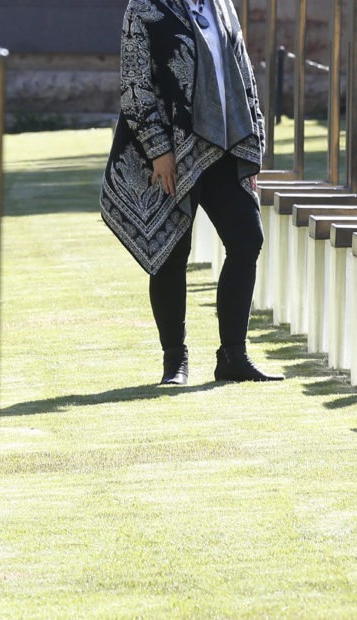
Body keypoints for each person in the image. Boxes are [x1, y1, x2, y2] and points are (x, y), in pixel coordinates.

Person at [101, 0, 283, 385]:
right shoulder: (144, 7)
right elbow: (134, 86)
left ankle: (233, 356)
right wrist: (158, 151)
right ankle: (175, 361)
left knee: (247, 239)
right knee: (171, 251)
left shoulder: (222, 5)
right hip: (171, 150)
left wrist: (255, 144)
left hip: (226, 146)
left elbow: (243, 75)